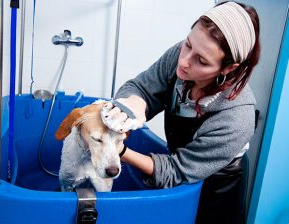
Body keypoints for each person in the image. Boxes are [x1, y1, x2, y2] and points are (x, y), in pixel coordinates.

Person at [101, 1, 260, 223]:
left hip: (218, 188)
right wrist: (135, 102)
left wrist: (119, 152)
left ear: (228, 68)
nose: (184, 61)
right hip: (179, 164)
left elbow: (176, 171)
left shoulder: (236, 117)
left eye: (202, 61)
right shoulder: (180, 56)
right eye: (188, 44)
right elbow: (141, 87)